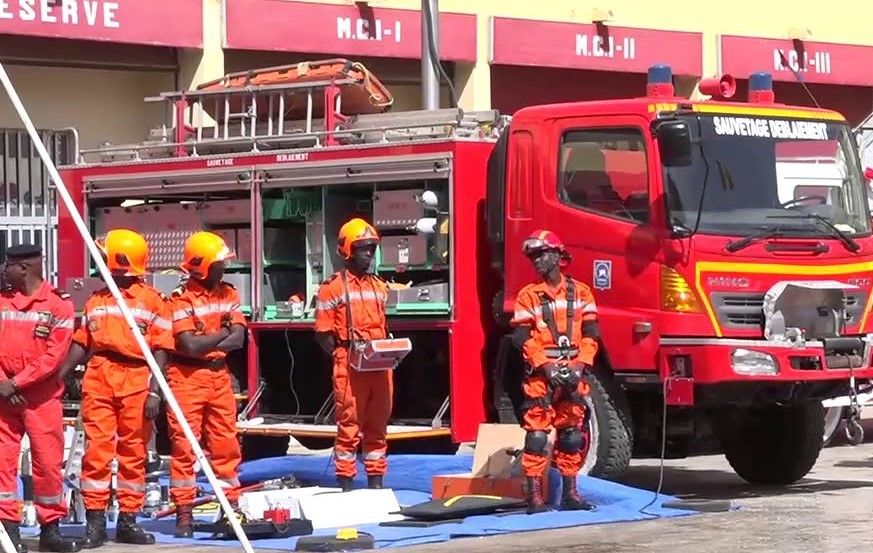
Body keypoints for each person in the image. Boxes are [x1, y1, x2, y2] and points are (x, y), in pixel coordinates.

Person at [57, 229, 172, 547]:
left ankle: (127, 522)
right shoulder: (97, 299)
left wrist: (154, 390)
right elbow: (83, 341)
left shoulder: (152, 301)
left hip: (137, 378)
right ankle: (95, 522)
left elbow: (162, 348)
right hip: (100, 375)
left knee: (133, 453)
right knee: (96, 453)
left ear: (118, 261)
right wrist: (61, 374)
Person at [510, 230, 599, 514]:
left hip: (574, 371)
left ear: (558, 256)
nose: (536, 261)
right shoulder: (527, 296)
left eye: (541, 255)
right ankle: (535, 499)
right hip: (541, 375)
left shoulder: (582, 293)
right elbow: (523, 338)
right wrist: (546, 367)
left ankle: (571, 495)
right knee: (536, 436)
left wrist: (579, 365)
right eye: (533, 257)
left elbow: (592, 333)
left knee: (572, 434)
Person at [0, 245, 81, 553]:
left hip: (41, 399)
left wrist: (17, 384)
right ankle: (7, 531)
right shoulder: (3, 300)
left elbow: (53, 357)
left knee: (47, 465)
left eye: (8, 265)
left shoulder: (58, 305)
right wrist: (3, 384)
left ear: (24, 268)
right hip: (4, 398)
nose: (3, 270)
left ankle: (51, 531)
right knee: (2, 465)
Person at [167, 231, 246, 538]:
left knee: (226, 442)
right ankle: (184, 511)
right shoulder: (180, 299)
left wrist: (211, 339)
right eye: (217, 264)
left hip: (218, 375)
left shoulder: (228, 293)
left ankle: (230, 507)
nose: (222, 269)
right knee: (185, 445)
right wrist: (221, 335)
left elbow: (239, 339)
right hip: (187, 376)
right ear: (200, 266)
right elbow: (190, 345)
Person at [314, 218, 392, 491]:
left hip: (379, 365)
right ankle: (346, 484)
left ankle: (376, 485)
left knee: (378, 427)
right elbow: (323, 334)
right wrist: (342, 355)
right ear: (347, 250)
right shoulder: (332, 287)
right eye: (363, 248)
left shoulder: (379, 286)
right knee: (349, 426)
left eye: (372, 248)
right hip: (349, 364)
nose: (369, 254)